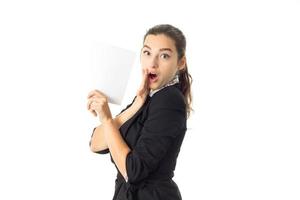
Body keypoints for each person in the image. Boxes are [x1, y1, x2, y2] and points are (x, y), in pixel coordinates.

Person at [87, 24, 193, 200]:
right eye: (147, 53)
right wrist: (136, 104)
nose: (152, 63)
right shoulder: (147, 98)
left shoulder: (169, 100)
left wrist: (106, 118)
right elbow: (95, 144)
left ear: (180, 63)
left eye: (164, 56)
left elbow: (133, 171)